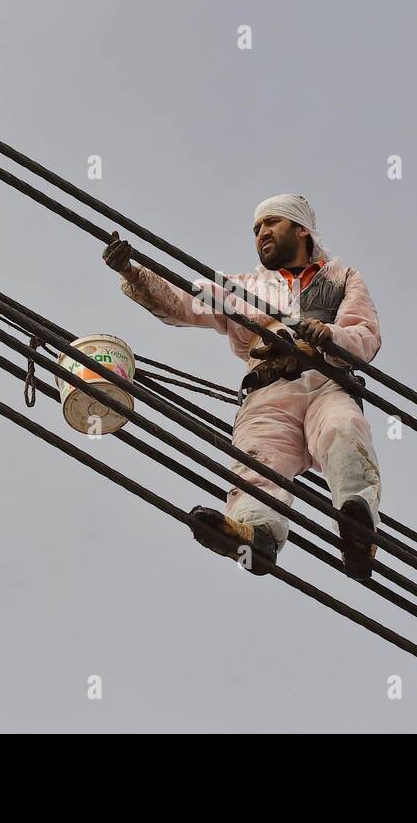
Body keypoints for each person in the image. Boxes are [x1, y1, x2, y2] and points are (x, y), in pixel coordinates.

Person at [102, 194, 383, 580]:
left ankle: (357, 530)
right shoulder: (243, 288)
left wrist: (330, 336)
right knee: (257, 459)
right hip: (267, 391)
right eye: (256, 229)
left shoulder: (340, 278)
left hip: (325, 383)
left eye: (271, 223)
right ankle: (256, 536)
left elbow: (365, 334)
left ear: (301, 229)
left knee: (344, 429)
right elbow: (185, 298)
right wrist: (134, 273)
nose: (261, 234)